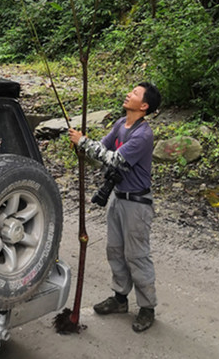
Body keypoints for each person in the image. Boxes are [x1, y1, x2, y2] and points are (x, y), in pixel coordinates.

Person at [69, 82, 162, 333]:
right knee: (115, 250)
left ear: (144, 106)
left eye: (134, 93)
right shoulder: (121, 124)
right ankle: (120, 298)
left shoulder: (144, 134)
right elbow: (103, 148)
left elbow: (115, 159)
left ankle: (146, 307)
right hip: (118, 197)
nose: (128, 93)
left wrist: (85, 142)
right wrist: (83, 148)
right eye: (130, 90)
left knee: (137, 255)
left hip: (137, 203)